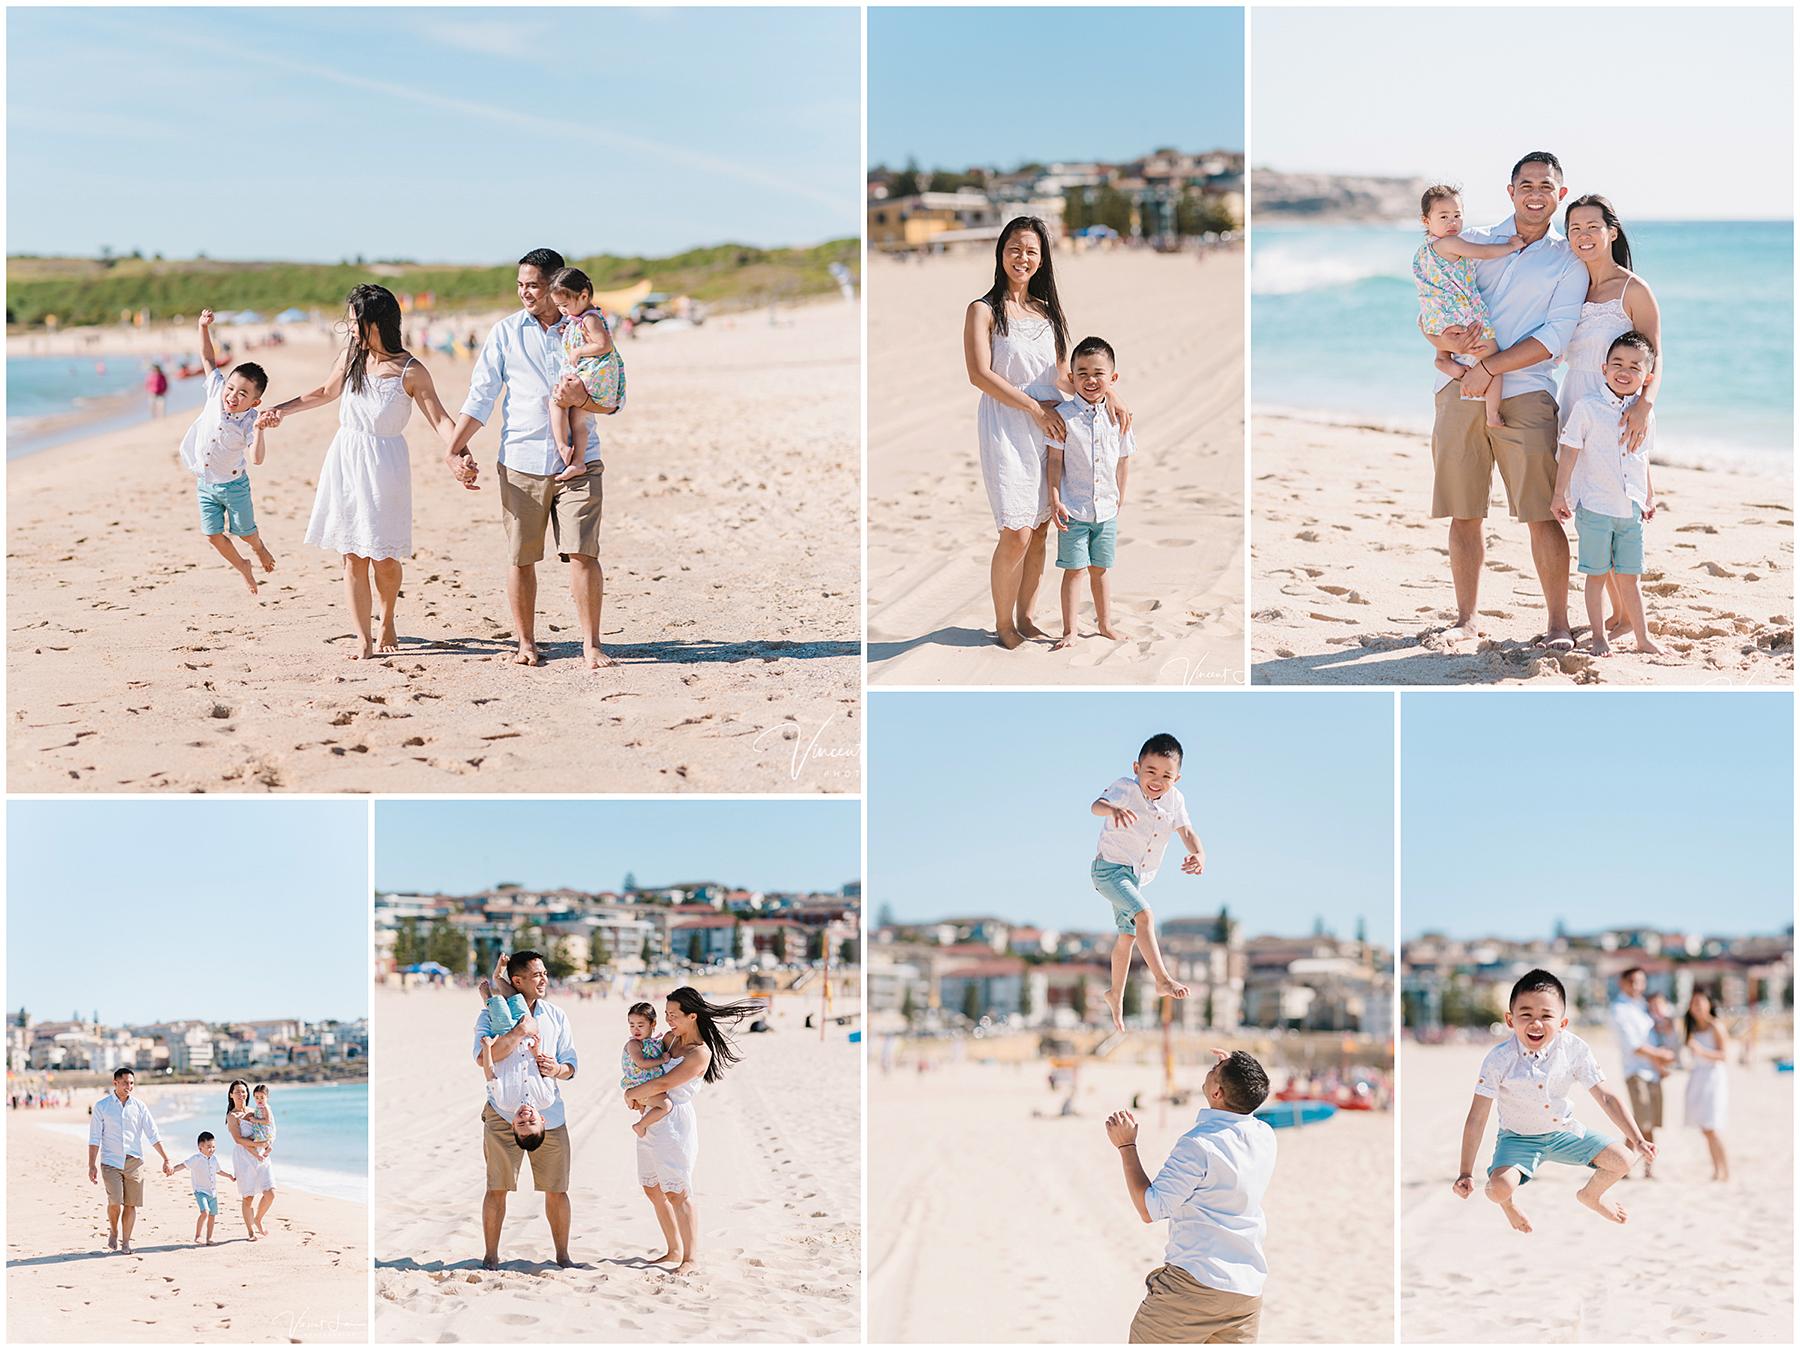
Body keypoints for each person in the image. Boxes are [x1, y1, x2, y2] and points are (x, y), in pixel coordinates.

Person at [1421, 153, 1588, 649]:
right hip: (1458, 390)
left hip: (1529, 389)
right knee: (1464, 509)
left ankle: (1558, 625)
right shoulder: (1474, 241)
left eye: (1546, 185)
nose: (1535, 192)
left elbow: (1557, 334)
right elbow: (1434, 300)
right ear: (1511, 190)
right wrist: (1437, 339)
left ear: (1560, 194)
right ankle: (1466, 619)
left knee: (1541, 511)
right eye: (1526, 183)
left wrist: (1491, 366)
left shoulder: (1569, 260)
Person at [256, 285, 460, 659]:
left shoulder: (410, 371)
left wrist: (460, 454)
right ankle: (363, 639)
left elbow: (441, 419)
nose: (350, 328)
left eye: (355, 321)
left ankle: (388, 617)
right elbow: (324, 391)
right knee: (352, 555)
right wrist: (280, 410)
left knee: (383, 558)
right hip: (347, 459)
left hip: (386, 465)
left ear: (376, 322)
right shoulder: (351, 355)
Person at [963, 216, 1131, 649]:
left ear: (1042, 259)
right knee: (1016, 531)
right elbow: (979, 374)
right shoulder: (983, 310)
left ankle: (1027, 617)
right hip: (1008, 424)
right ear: (1001, 252)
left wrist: (1109, 396)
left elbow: (1062, 375)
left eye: (1032, 251)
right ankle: (1003, 624)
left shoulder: (1045, 312)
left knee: (1040, 529)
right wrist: (1033, 408)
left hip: (1051, 426)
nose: (1023, 258)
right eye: (1015, 248)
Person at [444, 249, 615, 669]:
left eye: (533, 285)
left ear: (557, 284)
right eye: (520, 285)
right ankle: (526, 643)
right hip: (519, 460)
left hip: (579, 459)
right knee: (521, 556)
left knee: (583, 553)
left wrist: (586, 401)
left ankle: (591, 645)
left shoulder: (585, 330)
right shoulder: (504, 332)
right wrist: (453, 448)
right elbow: (482, 396)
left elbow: (614, 399)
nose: (525, 293)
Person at [1454, 969, 1654, 1232]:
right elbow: (1477, 1117)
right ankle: (1508, 1204)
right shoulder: (1499, 1059)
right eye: (1526, 1014)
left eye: (1546, 1016)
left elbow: (1606, 1097)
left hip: (1562, 1132)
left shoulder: (1574, 1049)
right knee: (1498, 1189)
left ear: (1562, 1023)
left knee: (1624, 1159)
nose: (1536, 1023)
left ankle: (1591, 1195)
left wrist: (1638, 1139)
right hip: (1517, 1138)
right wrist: (1465, 1172)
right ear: (1510, 1020)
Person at [1103, 1049, 1276, 1344]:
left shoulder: (1199, 1144)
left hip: (1195, 1286)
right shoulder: (1264, 1136)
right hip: (1246, 1292)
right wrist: (1232, 1072)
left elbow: (1150, 1209)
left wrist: (1126, 1146)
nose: (1210, 1070)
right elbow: (1242, 1108)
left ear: (1218, 1092)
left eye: (1214, 1070)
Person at [1557, 194, 1667, 641]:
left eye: (1592, 226)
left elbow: (1656, 358)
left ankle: (1624, 617)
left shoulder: (1632, 289)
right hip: (1575, 406)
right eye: (1574, 228)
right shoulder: (1569, 287)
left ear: (1612, 232)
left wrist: (1645, 404)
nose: (1583, 235)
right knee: (1590, 508)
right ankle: (1617, 616)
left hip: (1623, 414)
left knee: (1621, 506)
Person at [626, 987, 763, 1274]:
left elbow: (665, 1083)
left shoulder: (700, 1053)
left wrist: (633, 1094)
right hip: (651, 1116)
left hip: (674, 1123)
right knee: (652, 1188)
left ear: (692, 1016)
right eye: (665, 1015)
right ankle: (673, 1249)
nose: (668, 1021)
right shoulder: (669, 1039)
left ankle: (690, 1258)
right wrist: (637, 1092)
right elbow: (646, 1067)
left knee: (678, 1192)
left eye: (674, 1016)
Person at [1551, 332, 1666, 656]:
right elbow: (1570, 450)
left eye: (1634, 366)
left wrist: (1649, 496)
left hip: (1629, 510)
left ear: (1647, 378)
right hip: (1596, 508)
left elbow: (1641, 457)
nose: (1624, 370)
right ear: (1604, 369)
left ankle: (1643, 640)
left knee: (1631, 579)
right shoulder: (1589, 407)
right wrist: (1561, 494)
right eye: (1617, 363)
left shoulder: (1645, 414)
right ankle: (1599, 637)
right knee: (1597, 576)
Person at [1091, 733, 1206, 1031]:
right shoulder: (1125, 789)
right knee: (1145, 915)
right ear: (1136, 768)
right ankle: (1162, 979)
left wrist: (1200, 853)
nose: (1157, 780)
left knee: (1127, 937)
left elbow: (1187, 832)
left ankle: (1115, 994)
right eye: (1150, 771)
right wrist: (1113, 808)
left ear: (1176, 778)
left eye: (1166, 775)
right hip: (1108, 871)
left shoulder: (1175, 800)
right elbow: (1096, 806)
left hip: (1133, 878)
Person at [472, 950, 580, 1270]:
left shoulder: (557, 1016)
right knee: (497, 1188)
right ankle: (491, 1257)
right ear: (517, 981)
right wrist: (520, 1032)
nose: (544, 979)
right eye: (537, 975)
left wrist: (557, 1068)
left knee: (557, 1189)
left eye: (545, 973)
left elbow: (572, 1066)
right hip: (502, 1114)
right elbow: (483, 1059)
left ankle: (563, 1256)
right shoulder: (488, 1016)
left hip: (549, 1115)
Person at [178, 310, 277, 596]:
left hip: (234, 486)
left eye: (242, 394)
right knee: (212, 535)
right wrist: (202, 327)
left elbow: (256, 459)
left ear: (255, 401)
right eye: (231, 388)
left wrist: (259, 429)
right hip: (206, 482)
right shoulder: (216, 390)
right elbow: (207, 358)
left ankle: (258, 548)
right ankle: (243, 566)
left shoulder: (250, 420)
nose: (232, 396)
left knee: (246, 533)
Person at [1048, 336, 1136, 650]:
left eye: (1098, 373)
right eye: (1082, 372)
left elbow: (1123, 460)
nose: (1090, 379)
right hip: (1073, 509)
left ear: (1112, 380)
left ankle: (1105, 624)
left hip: (1106, 511)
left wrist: (1120, 496)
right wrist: (1055, 497)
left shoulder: (1118, 418)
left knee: (1100, 570)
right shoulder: (1064, 416)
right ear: (1071, 378)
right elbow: (1055, 460)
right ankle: (1070, 630)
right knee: (1074, 571)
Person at [1414, 185, 1525, 428]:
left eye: (1457, 215)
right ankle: (1492, 414)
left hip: (1436, 317)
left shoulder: (1423, 251)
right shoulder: (1452, 243)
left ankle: (1443, 357)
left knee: (1447, 334)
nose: (1452, 222)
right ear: (1426, 220)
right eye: (1443, 217)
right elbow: (1482, 251)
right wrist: (1511, 246)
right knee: (1493, 361)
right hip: (1463, 317)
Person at [545, 267, 626, 482]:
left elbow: (604, 344)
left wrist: (579, 350)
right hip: (591, 374)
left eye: (564, 305)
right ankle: (578, 462)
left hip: (591, 374)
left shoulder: (590, 318)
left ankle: (562, 446)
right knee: (577, 421)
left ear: (583, 296)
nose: (562, 310)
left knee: (556, 402)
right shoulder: (579, 318)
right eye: (559, 306)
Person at [87, 1066, 174, 1254]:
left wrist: (166, 1159)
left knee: (131, 1203)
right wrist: (91, 1165)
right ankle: (113, 1230)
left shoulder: (140, 1107)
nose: (129, 1086)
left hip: (134, 1162)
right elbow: (94, 1138)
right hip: (110, 1162)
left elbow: (153, 1134)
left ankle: (125, 1242)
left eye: (132, 1083)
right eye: (125, 1082)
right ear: (115, 1083)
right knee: (115, 1202)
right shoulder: (102, 1106)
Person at [475, 954, 555, 1150]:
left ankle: (487, 998)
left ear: (512, 1124)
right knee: (516, 1000)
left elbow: (490, 1074)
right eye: (532, 1121)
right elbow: (543, 1070)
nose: (526, 1118)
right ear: (542, 1119)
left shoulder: (504, 1102)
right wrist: (536, 1052)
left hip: (505, 1038)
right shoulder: (546, 1099)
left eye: (521, 1124)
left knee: (499, 1010)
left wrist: (487, 1048)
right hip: (528, 1038)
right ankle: (498, 977)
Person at [1607, 966, 1674, 1178]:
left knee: (1646, 1122)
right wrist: (1661, 1056)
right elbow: (1633, 1045)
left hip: (1653, 1071)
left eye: (1642, 982)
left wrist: (1660, 1064)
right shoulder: (1619, 1009)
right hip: (1635, 1071)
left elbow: (1660, 1030)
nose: (1638, 986)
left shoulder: (1643, 1006)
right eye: (1633, 982)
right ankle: (1627, 1167)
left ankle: (1638, 1168)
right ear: (1623, 983)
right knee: (1640, 1122)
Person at [1684, 990, 1731, 1181]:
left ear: (1709, 1004)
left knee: (1712, 1126)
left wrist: (1701, 1051)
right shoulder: (1693, 1028)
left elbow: (1724, 1055)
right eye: (1693, 1002)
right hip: (1698, 1077)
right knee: (1705, 1128)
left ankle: (1725, 1171)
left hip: (1713, 1077)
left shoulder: (1716, 1026)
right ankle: (1717, 1170)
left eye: (1700, 1002)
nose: (1696, 1006)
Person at [225, 1078, 277, 1241]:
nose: (241, 1094)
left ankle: (258, 1219)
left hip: (261, 1156)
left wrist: (268, 1143)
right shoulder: (232, 1116)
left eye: (243, 1091)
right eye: (237, 1091)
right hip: (244, 1158)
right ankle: (250, 1232)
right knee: (248, 1197)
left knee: (271, 1193)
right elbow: (238, 1140)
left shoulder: (255, 1110)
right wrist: (258, 1143)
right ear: (231, 1095)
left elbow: (267, 1128)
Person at [169, 1130, 236, 1245]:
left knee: (212, 1216)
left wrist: (229, 1176)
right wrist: (173, 1170)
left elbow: (218, 1171)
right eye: (209, 1147)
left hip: (212, 1193)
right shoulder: (196, 1158)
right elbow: (183, 1165)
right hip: (200, 1191)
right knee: (205, 1212)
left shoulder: (214, 1159)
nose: (212, 1149)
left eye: (214, 1147)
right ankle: (198, 1235)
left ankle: (209, 1239)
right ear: (200, 1148)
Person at [621, 1000, 674, 1138]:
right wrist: (662, 1060)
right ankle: (640, 1125)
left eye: (640, 1025)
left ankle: (646, 1122)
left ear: (653, 1024)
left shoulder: (655, 1043)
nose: (635, 1029)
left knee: (647, 1108)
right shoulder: (634, 1044)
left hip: (649, 1085)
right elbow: (641, 1063)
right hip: (640, 1085)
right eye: (632, 1025)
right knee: (665, 1105)